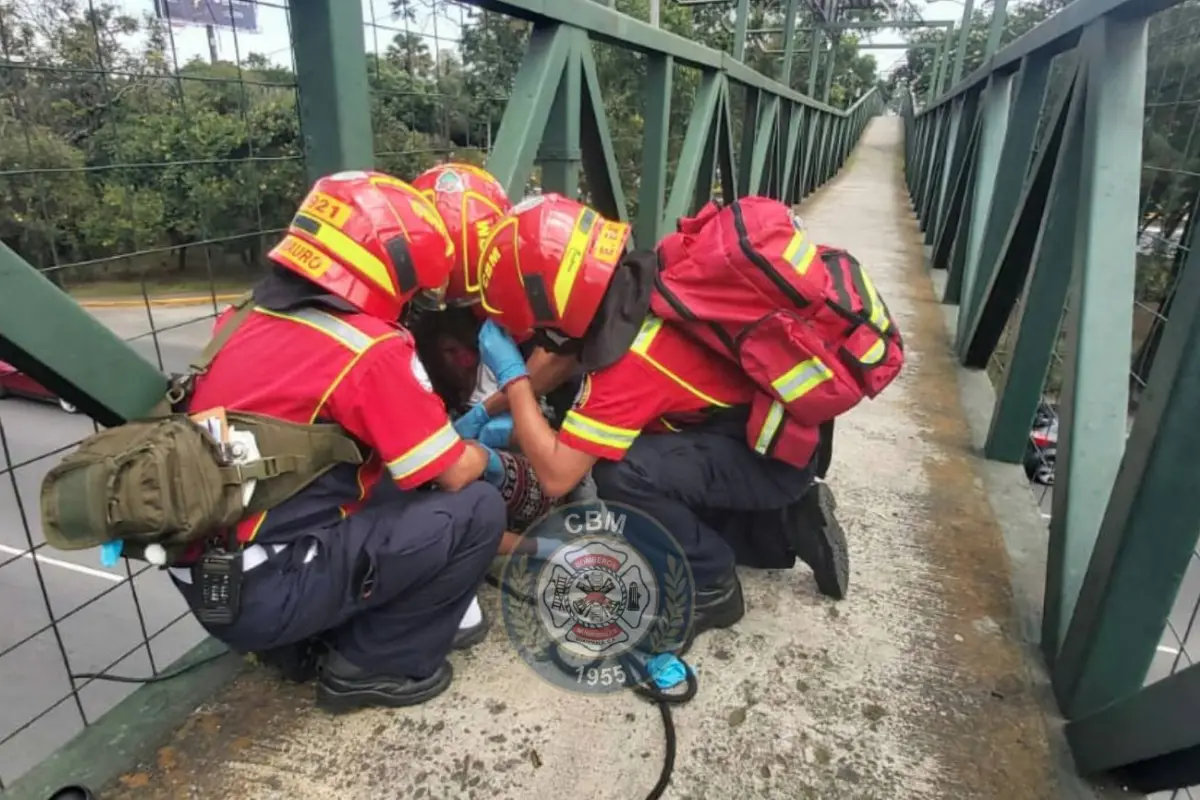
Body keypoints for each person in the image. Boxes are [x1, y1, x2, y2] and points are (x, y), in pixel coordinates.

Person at [171, 169, 508, 713]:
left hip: (215, 579)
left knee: (379, 485)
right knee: (476, 507)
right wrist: (487, 456)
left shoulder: (242, 317)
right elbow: (447, 472)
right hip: (269, 589)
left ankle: (302, 641)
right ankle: (376, 665)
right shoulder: (365, 346)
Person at [466, 193, 850, 653]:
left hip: (763, 461)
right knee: (650, 507)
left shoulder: (632, 363)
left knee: (620, 475)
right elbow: (561, 356)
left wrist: (512, 379)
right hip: (768, 442)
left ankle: (711, 586)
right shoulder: (645, 278)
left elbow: (554, 475)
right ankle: (787, 523)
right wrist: (484, 412)